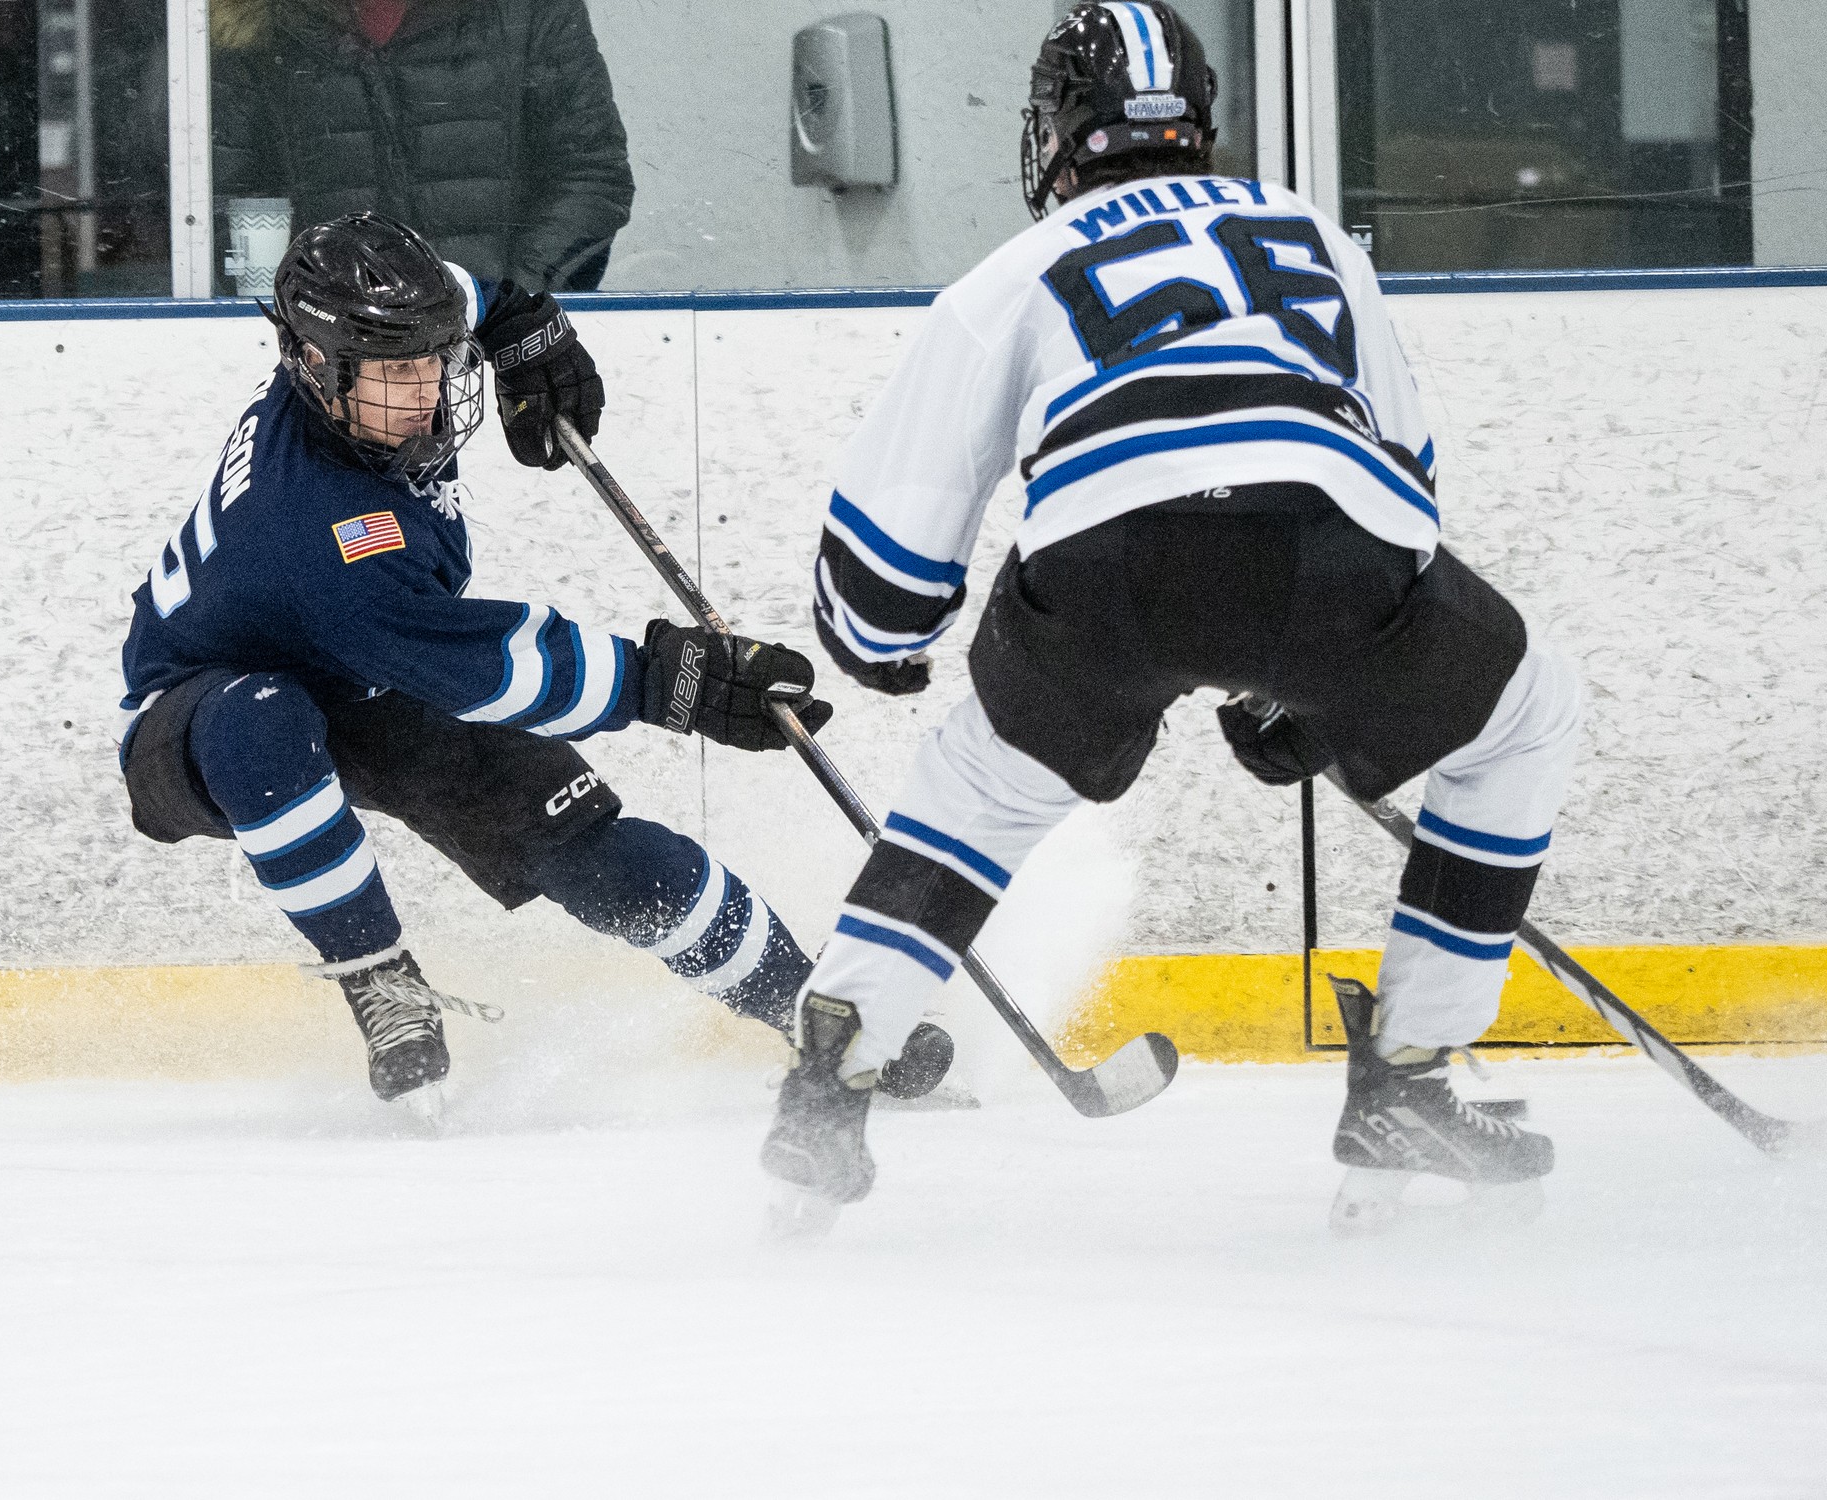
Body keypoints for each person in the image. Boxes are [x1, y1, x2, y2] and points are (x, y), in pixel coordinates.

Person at [762, 2, 1582, 1233]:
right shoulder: (1309, 230)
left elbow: (883, 584)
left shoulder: (1009, 276)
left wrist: (884, 644)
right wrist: (1309, 682)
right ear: (1196, 122)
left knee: (973, 792)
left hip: (1104, 569)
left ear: (1052, 133)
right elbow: (1406, 484)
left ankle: (826, 1090)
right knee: (1526, 713)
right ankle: (1409, 1075)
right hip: (1327, 546)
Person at [115, 212, 952, 1119]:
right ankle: (379, 979)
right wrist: (671, 684)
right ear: (315, 366)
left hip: (370, 674)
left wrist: (519, 322)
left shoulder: (363, 360)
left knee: (595, 855)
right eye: (397, 374)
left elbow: (459, 293)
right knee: (265, 720)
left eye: (436, 362)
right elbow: (491, 670)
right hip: (197, 719)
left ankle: (816, 1017)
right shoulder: (322, 536)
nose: (427, 393)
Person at [210, 0, 634, 291]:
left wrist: (508, 302)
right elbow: (221, 196)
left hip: (495, 344)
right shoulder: (256, 21)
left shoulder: (527, 10)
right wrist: (315, 317)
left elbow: (590, 176)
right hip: (328, 358)